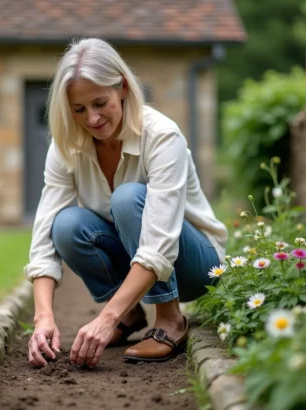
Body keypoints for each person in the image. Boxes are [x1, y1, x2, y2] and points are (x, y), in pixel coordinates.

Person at [24, 38, 227, 368]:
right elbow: (45, 235)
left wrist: (102, 318)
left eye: (100, 102)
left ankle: (170, 319)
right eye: (79, 109)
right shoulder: (66, 146)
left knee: (128, 197)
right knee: (65, 225)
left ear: (121, 87)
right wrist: (43, 317)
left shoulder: (161, 135)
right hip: (136, 256)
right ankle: (129, 317)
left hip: (195, 264)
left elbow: (159, 243)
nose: (92, 119)